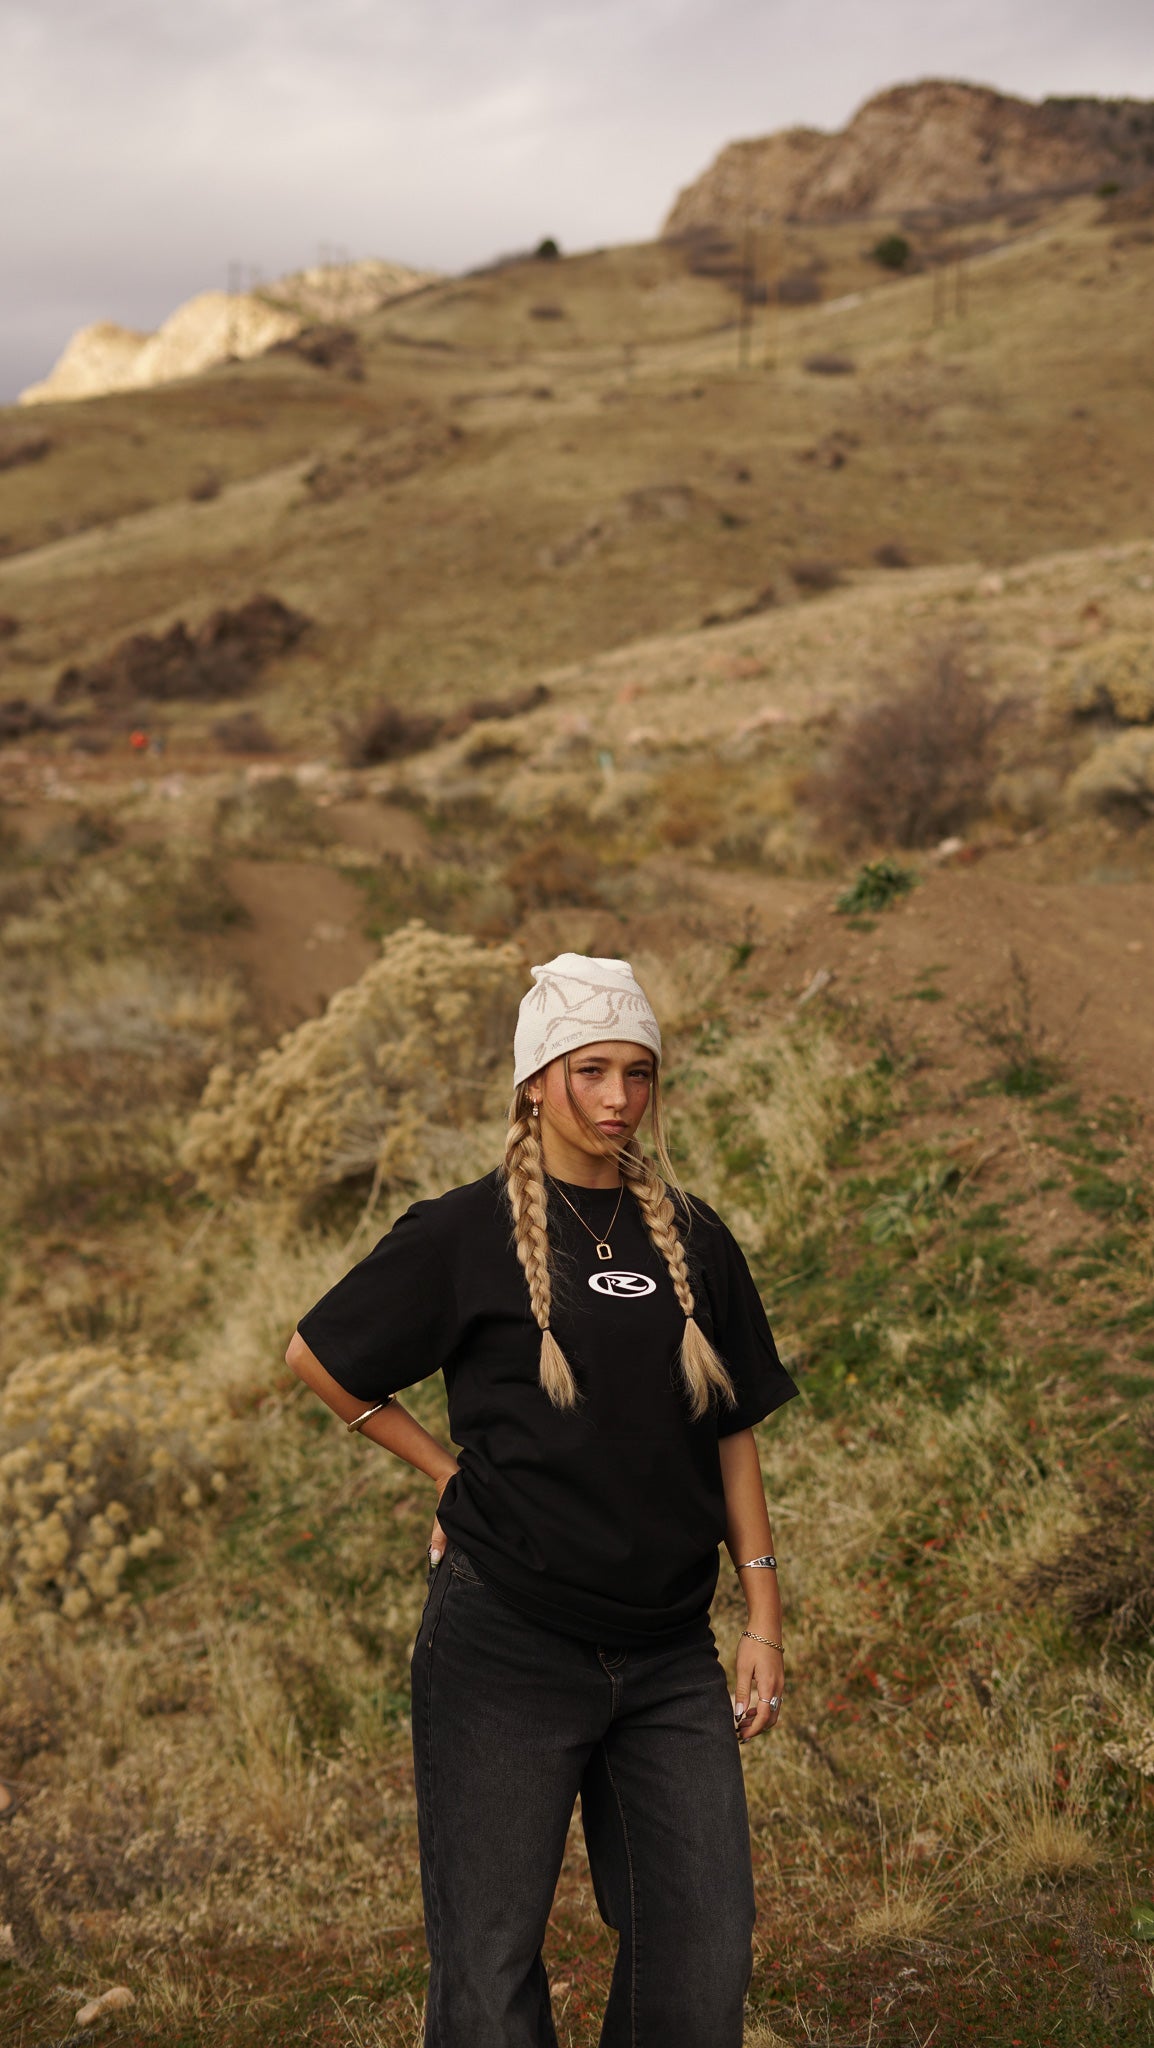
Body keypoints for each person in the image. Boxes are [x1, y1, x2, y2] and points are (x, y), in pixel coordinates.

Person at [287, 952, 798, 2048]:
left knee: (703, 1943)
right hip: (504, 1644)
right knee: (488, 1965)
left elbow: (732, 1429)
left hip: (667, 1651)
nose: (618, 1098)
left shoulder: (696, 1238)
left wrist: (761, 1611)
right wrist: (445, 1472)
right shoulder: (460, 1233)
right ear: (534, 1079)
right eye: (590, 1071)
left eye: (637, 1073)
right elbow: (318, 1356)